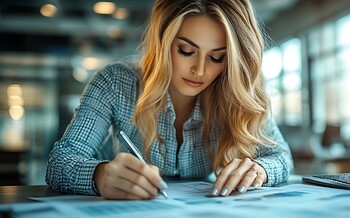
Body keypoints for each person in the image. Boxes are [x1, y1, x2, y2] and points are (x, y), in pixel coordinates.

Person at [45, 0, 294, 200]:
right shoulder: (115, 83)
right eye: (186, 51)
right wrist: (100, 175)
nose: (199, 70)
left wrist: (260, 170)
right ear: (163, 42)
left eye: (216, 58)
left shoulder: (236, 94)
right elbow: (60, 162)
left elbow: (282, 157)